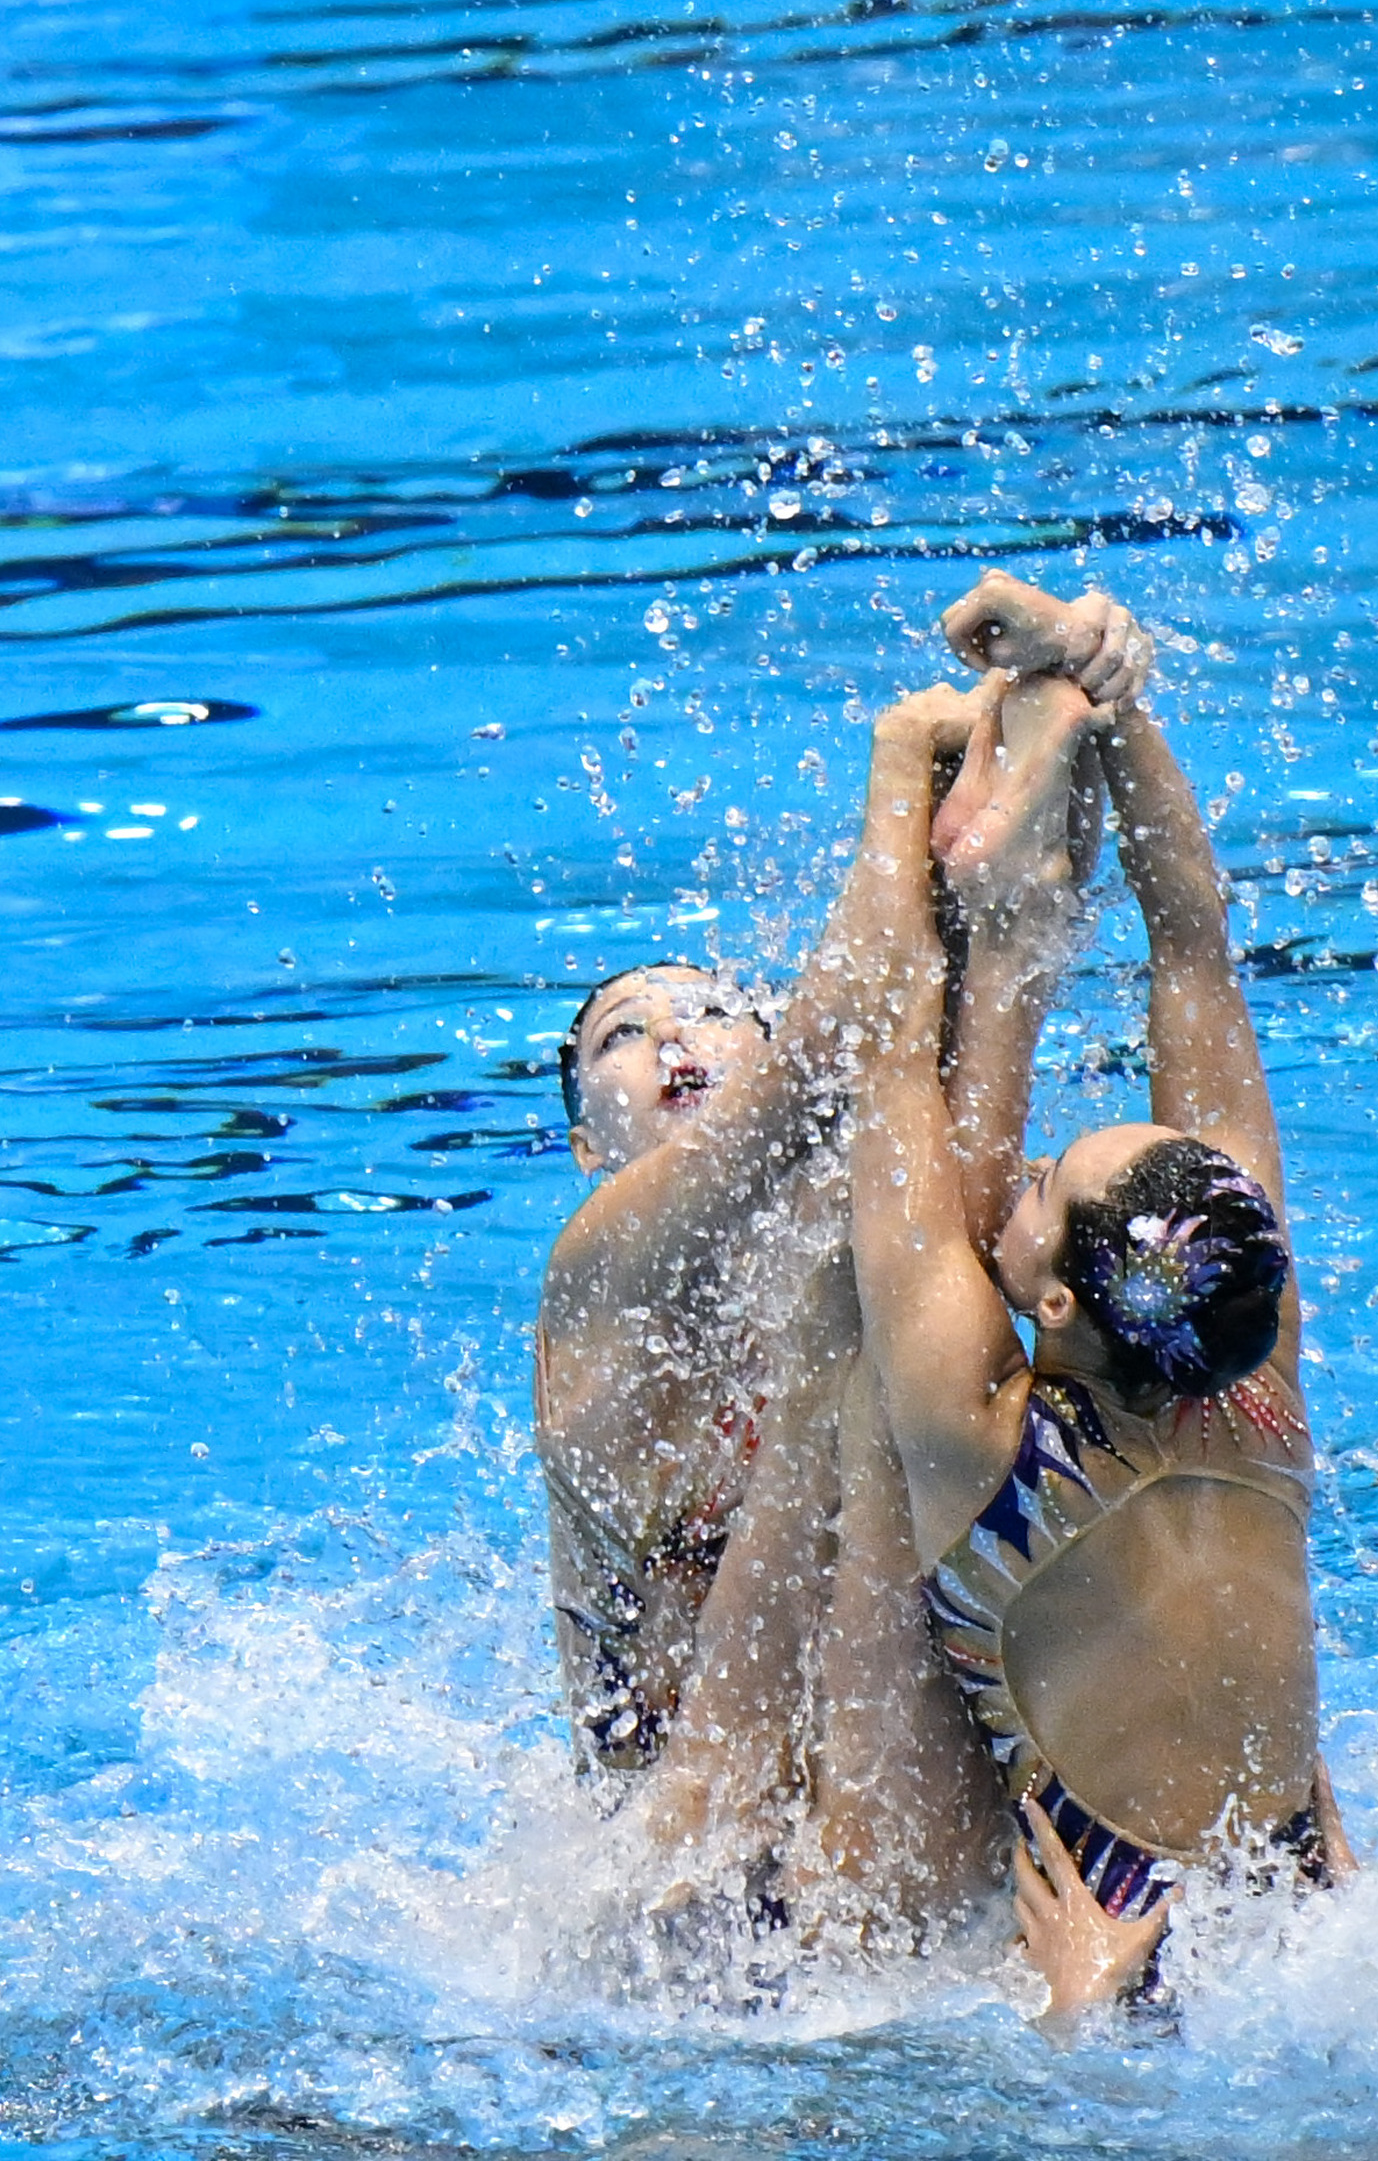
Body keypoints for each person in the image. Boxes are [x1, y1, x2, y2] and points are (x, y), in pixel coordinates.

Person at [531, 596, 1151, 1846]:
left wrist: (1074, 711)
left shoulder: (850, 1235)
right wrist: (907, 750)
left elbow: (938, 1039)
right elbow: (850, 1030)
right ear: (589, 1143)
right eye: (622, 1035)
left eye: (709, 1009)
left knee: (911, 1277)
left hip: (870, 1790)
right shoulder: (593, 1271)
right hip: (680, 1875)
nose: (672, 1035)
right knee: (862, 1312)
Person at [841, 570, 1348, 2029]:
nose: (1031, 1167)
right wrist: (1108, 694)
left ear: (1053, 1303)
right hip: (1301, 1911)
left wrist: (896, 785)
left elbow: (884, 1057)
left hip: (1112, 1948)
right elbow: (1192, 938)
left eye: (1045, 1179)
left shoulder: (975, 1441)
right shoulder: (1255, 1368)